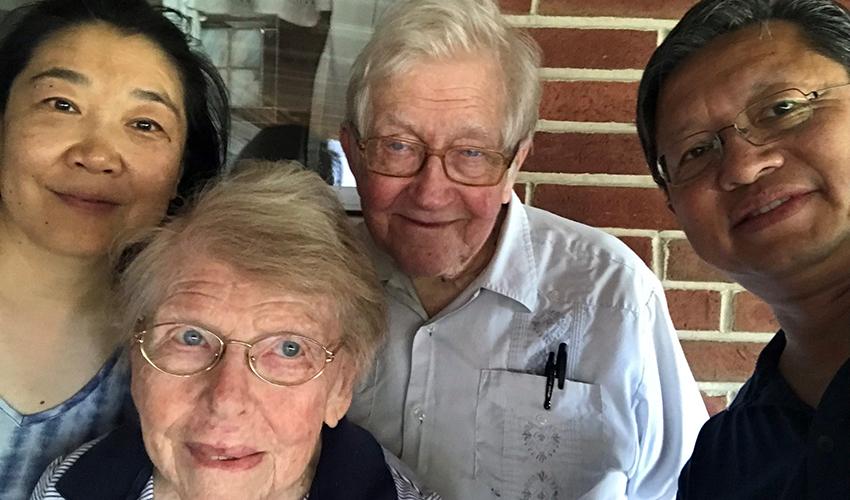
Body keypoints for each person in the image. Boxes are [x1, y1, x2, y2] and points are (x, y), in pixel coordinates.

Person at [340, 0, 707, 498]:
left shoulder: (612, 296)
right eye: (398, 146)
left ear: (516, 162)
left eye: (472, 154)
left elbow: (683, 488)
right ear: (352, 152)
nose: (430, 193)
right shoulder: (311, 281)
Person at [30, 161, 440, 500]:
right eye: (190, 337)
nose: (226, 400)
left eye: (289, 349)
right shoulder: (71, 486)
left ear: (340, 386)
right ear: (138, 358)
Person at [0, 0, 229, 497]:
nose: (98, 155)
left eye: (145, 124)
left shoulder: (189, 353)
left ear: (181, 170)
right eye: (61, 105)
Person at [636, 0, 850, 497]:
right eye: (696, 150)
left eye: (783, 108)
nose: (742, 168)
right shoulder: (724, 463)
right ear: (673, 205)